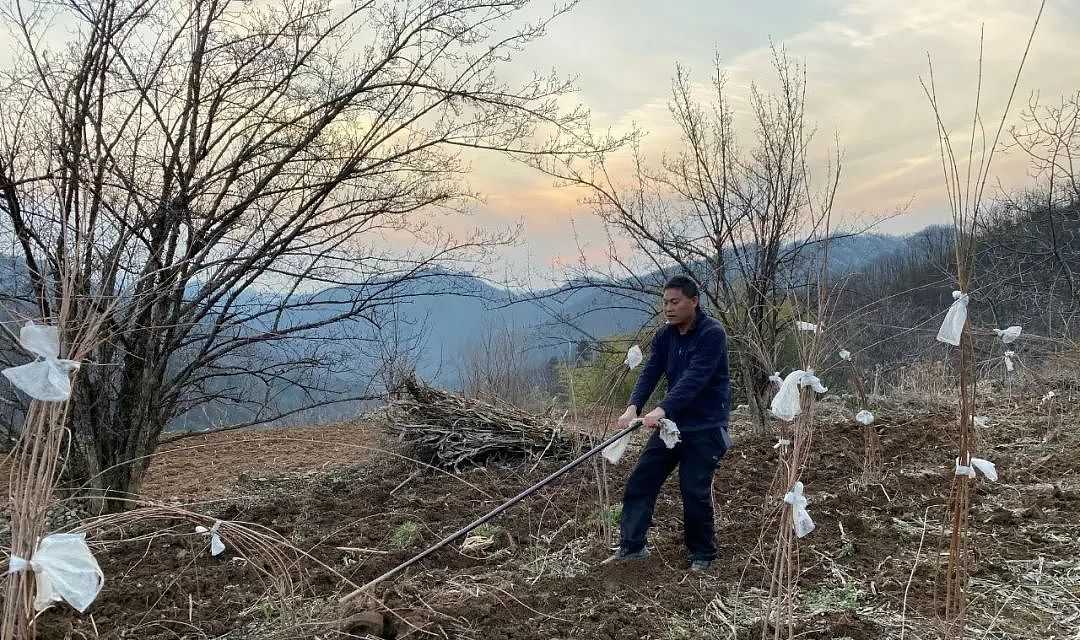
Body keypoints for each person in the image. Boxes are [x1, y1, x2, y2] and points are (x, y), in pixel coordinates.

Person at [606, 275, 732, 572]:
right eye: (665, 303)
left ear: (693, 302)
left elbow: (694, 380)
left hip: (706, 426)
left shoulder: (712, 334)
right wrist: (633, 407)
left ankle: (703, 554)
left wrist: (662, 409)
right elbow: (650, 373)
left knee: (693, 489)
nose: (668, 308)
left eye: (675, 302)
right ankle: (632, 546)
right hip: (672, 426)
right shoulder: (664, 336)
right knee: (642, 479)